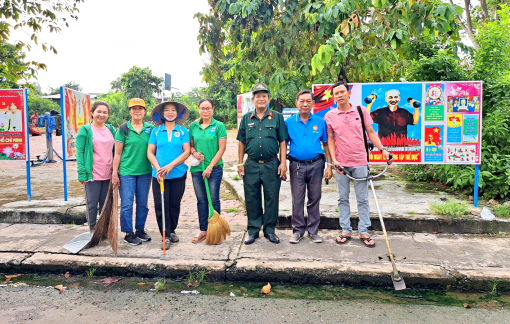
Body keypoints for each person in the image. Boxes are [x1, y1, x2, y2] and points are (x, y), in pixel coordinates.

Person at [325, 81, 391, 248]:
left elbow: (371, 133)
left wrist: (383, 149)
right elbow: (330, 140)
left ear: (348, 93)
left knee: (363, 199)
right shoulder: (330, 116)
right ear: (333, 97)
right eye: (336, 93)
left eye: (342, 92)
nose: (339, 95)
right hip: (341, 164)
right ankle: (346, 230)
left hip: (361, 162)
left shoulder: (361, 111)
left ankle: (364, 231)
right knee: (343, 198)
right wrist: (334, 161)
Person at [237, 83, 288, 244]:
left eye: (264, 96)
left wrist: (283, 163)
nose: (261, 99)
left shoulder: (277, 117)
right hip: (251, 164)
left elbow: (282, 141)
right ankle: (253, 230)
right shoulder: (246, 118)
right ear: (253, 99)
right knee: (252, 198)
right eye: (257, 96)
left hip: (272, 164)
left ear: (268, 99)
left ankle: (270, 230)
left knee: (271, 198)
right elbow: (241, 142)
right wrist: (240, 163)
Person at [285, 90, 333, 244]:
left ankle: (313, 231)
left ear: (313, 103)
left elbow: (326, 144)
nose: (305, 104)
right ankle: (298, 231)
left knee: (314, 198)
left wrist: (329, 166)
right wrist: (281, 164)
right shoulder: (289, 123)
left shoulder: (320, 122)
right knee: (297, 199)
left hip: (316, 165)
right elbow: (282, 144)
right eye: (301, 101)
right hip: (296, 166)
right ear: (296, 103)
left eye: (308, 101)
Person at [147, 100, 190, 250]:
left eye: (173, 110)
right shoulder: (156, 131)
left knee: (174, 204)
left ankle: (172, 230)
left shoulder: (183, 131)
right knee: (160, 205)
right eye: (167, 110)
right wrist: (159, 168)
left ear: (178, 113)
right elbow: (150, 152)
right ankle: (164, 234)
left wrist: (171, 165)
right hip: (159, 176)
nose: (170, 112)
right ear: (162, 113)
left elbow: (187, 151)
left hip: (178, 173)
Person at [112, 98, 154, 246]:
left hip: (145, 172)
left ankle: (140, 230)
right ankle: (128, 233)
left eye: (140, 108)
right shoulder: (123, 129)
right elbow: (117, 154)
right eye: (134, 108)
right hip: (126, 172)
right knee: (127, 204)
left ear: (144, 111)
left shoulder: (150, 129)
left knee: (142, 203)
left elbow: (155, 149)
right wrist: (114, 174)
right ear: (130, 111)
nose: (137, 111)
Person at [189, 99, 227, 244]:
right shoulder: (193, 126)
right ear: (198, 109)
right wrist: (194, 153)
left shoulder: (219, 126)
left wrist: (210, 166)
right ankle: (203, 231)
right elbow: (191, 146)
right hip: (197, 169)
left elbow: (222, 149)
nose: (205, 111)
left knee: (213, 199)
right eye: (203, 108)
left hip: (214, 169)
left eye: (208, 108)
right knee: (201, 200)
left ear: (213, 109)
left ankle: (215, 232)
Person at [76, 100, 116, 231]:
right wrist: (81, 172)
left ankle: (103, 229)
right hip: (92, 173)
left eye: (105, 112)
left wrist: (116, 171)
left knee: (106, 204)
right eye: (99, 111)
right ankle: (92, 230)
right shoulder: (85, 130)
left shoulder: (110, 129)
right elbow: (80, 152)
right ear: (92, 113)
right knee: (92, 204)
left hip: (108, 173)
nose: (102, 115)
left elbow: (116, 150)